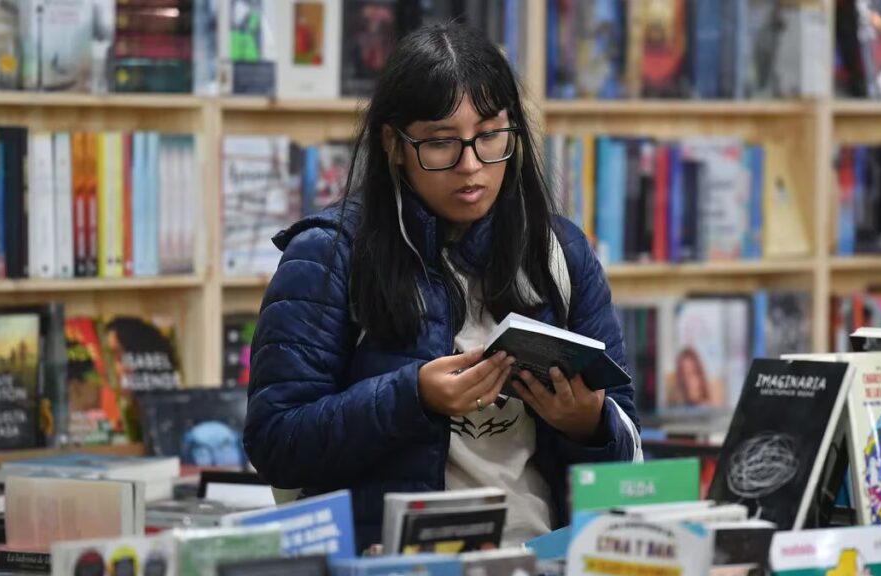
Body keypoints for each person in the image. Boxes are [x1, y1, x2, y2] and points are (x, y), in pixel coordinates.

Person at [244, 22, 641, 551]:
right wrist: (413, 396)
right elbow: (275, 441)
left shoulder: (559, 253)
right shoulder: (329, 254)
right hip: (398, 561)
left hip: (544, 556)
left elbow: (629, 452)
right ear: (395, 144)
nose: (471, 166)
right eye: (440, 143)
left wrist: (590, 425)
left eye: (491, 136)